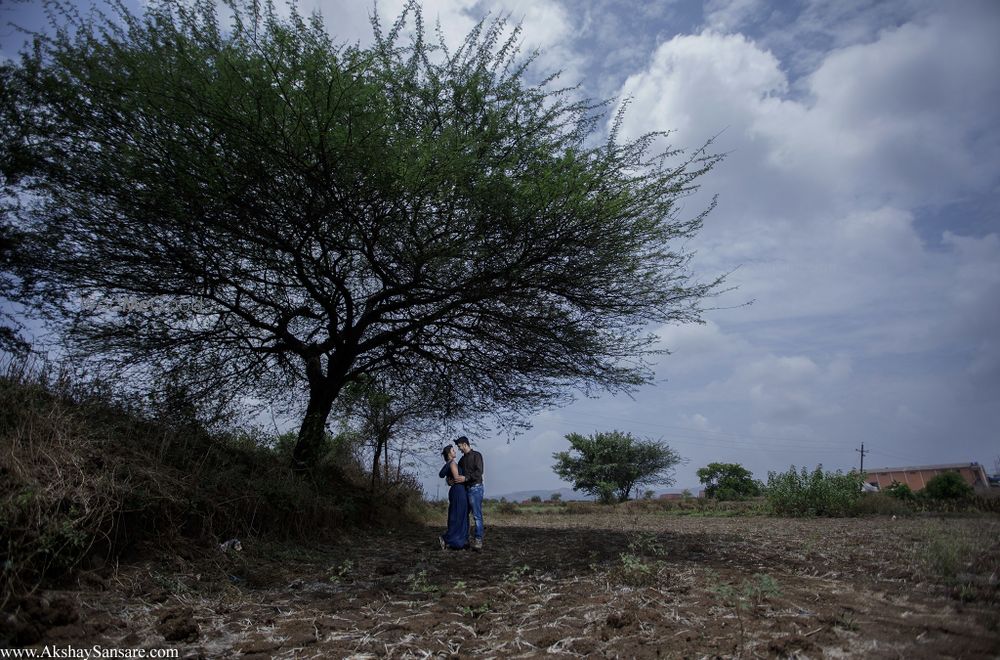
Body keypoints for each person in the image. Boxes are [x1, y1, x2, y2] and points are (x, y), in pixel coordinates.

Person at [455, 436, 485, 551]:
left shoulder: (477, 455)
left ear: (464, 444)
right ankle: (465, 539)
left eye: (459, 446)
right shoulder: (461, 460)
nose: (459, 449)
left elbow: (479, 472)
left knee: (477, 516)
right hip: (466, 490)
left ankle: (478, 540)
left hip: (476, 488)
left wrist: (466, 478)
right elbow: (458, 474)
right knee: (464, 516)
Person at [438, 444, 468, 550]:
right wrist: (468, 478)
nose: (455, 451)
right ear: (449, 454)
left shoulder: (449, 463)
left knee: (456, 515)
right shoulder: (452, 463)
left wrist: (449, 479)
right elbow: (457, 478)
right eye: (453, 450)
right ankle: (446, 538)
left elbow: (442, 474)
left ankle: (457, 542)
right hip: (459, 491)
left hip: (456, 491)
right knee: (458, 516)